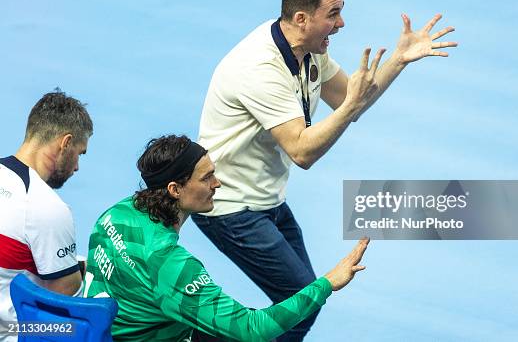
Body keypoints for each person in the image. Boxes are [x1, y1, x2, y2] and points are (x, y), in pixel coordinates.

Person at [193, 0, 457, 340]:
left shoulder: (308, 50)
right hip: (230, 206)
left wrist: (399, 58)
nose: (342, 23)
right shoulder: (257, 69)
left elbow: (352, 98)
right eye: (333, 14)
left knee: (301, 305)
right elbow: (302, 151)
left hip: (266, 199)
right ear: (302, 19)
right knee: (302, 304)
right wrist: (348, 109)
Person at [84, 135, 369, 341]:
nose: (217, 183)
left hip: (111, 330)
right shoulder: (170, 264)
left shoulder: (115, 215)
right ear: (175, 189)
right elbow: (253, 329)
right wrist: (327, 284)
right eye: (206, 178)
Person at [0, 90, 93, 341]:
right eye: (79, 153)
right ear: (65, 143)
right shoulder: (47, 207)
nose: (76, 167)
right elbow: (63, 301)